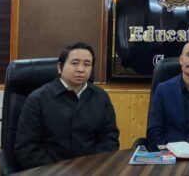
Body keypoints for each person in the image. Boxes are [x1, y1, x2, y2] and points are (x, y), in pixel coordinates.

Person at [14, 42, 119, 170]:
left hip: (91, 169)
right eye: (75, 63)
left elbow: (109, 137)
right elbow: (26, 147)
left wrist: (92, 165)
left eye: (87, 64)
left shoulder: (101, 97)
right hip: (49, 171)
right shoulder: (38, 99)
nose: (81, 69)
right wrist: (57, 170)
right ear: (60, 67)